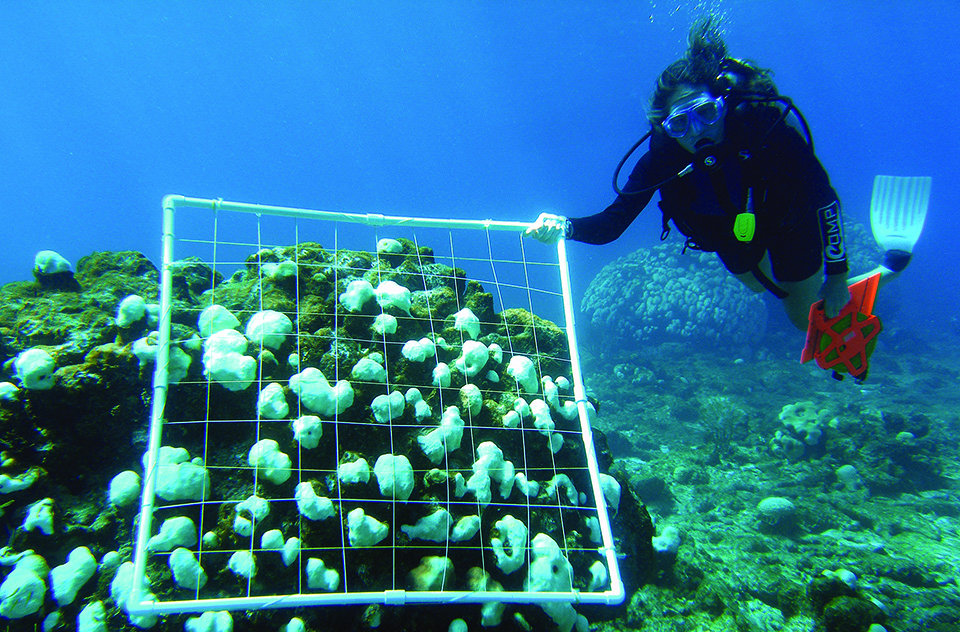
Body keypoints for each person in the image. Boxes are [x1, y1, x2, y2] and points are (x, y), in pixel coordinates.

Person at [526, 18, 871, 332]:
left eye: (707, 112)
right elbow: (612, 223)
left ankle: (881, 272)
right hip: (729, 237)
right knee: (756, 284)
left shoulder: (766, 129)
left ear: (723, 104)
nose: (697, 132)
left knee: (801, 318)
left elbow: (824, 197)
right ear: (667, 128)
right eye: (680, 123)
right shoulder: (662, 161)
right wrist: (564, 227)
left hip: (788, 224)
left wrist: (838, 275)